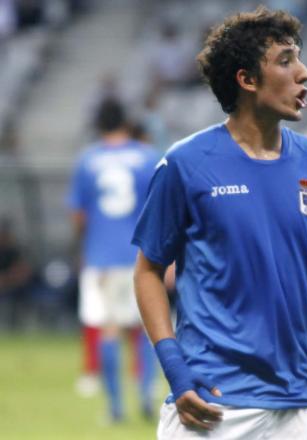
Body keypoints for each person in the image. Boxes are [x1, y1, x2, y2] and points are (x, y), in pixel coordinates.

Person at [132, 7, 307, 439]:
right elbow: (148, 271)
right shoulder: (186, 165)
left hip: (305, 405)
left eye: (299, 57)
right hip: (212, 405)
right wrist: (176, 372)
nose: (304, 73)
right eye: (285, 60)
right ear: (246, 80)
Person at [69, 98, 159, 421]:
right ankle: (147, 396)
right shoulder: (147, 157)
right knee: (146, 328)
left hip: (102, 258)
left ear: (98, 125)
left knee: (108, 330)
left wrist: (87, 244)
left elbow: (78, 214)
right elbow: (160, 207)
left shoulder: (88, 160)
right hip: (141, 257)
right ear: (126, 122)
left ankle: (115, 408)